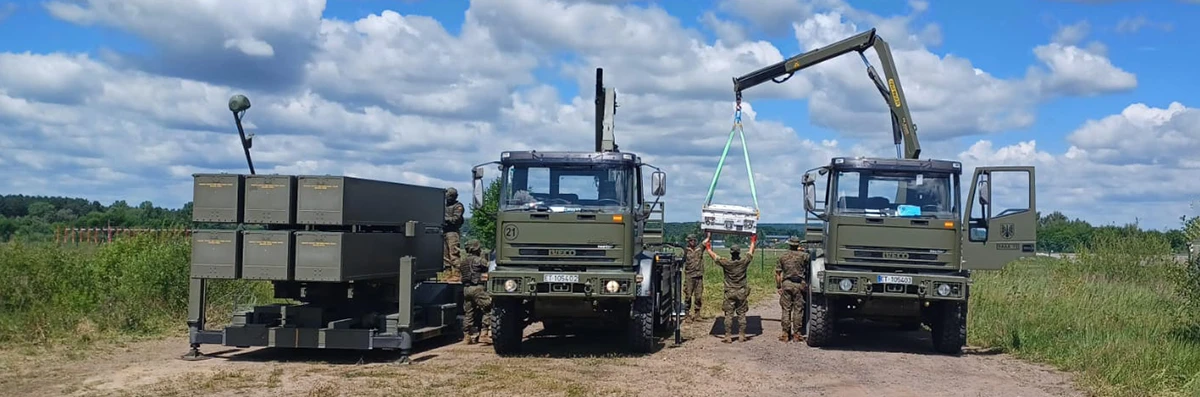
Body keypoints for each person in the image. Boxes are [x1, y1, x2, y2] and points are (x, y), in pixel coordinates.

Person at [704, 232, 756, 343]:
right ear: (739, 252)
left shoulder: (727, 263)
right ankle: (742, 335)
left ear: (731, 253)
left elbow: (715, 257)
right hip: (741, 292)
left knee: (728, 315)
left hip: (729, 292)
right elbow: (751, 252)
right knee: (742, 314)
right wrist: (753, 240)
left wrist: (708, 248)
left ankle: (728, 336)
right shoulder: (744, 262)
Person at [775, 236, 810, 343]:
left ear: (789, 244)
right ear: (798, 245)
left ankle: (785, 334)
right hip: (799, 284)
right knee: (798, 310)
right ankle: (797, 334)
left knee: (786, 310)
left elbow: (778, 273)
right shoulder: (804, 256)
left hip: (786, 284)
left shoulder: (783, 257)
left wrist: (779, 286)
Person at [459, 239, 493, 344]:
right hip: (477, 288)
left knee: (468, 313)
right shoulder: (479, 260)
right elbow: (489, 267)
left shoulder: (463, 261)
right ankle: (484, 333)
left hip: (466, 289)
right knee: (489, 307)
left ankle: (467, 336)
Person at [682, 234, 705, 322]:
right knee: (688, 296)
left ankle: (697, 314)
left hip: (699, 276)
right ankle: (687, 314)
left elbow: (706, 241)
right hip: (689, 277)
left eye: (693, 240)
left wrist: (708, 233)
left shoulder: (700, 249)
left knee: (698, 296)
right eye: (690, 240)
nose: (692, 242)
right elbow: (681, 261)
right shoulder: (685, 250)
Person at [444, 187, 465, 281]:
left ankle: (457, 274)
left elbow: (456, 219)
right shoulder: (443, 205)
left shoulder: (458, 206)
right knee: (444, 255)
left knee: (454, 254)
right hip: (443, 231)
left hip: (452, 232)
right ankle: (447, 274)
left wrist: (445, 219)